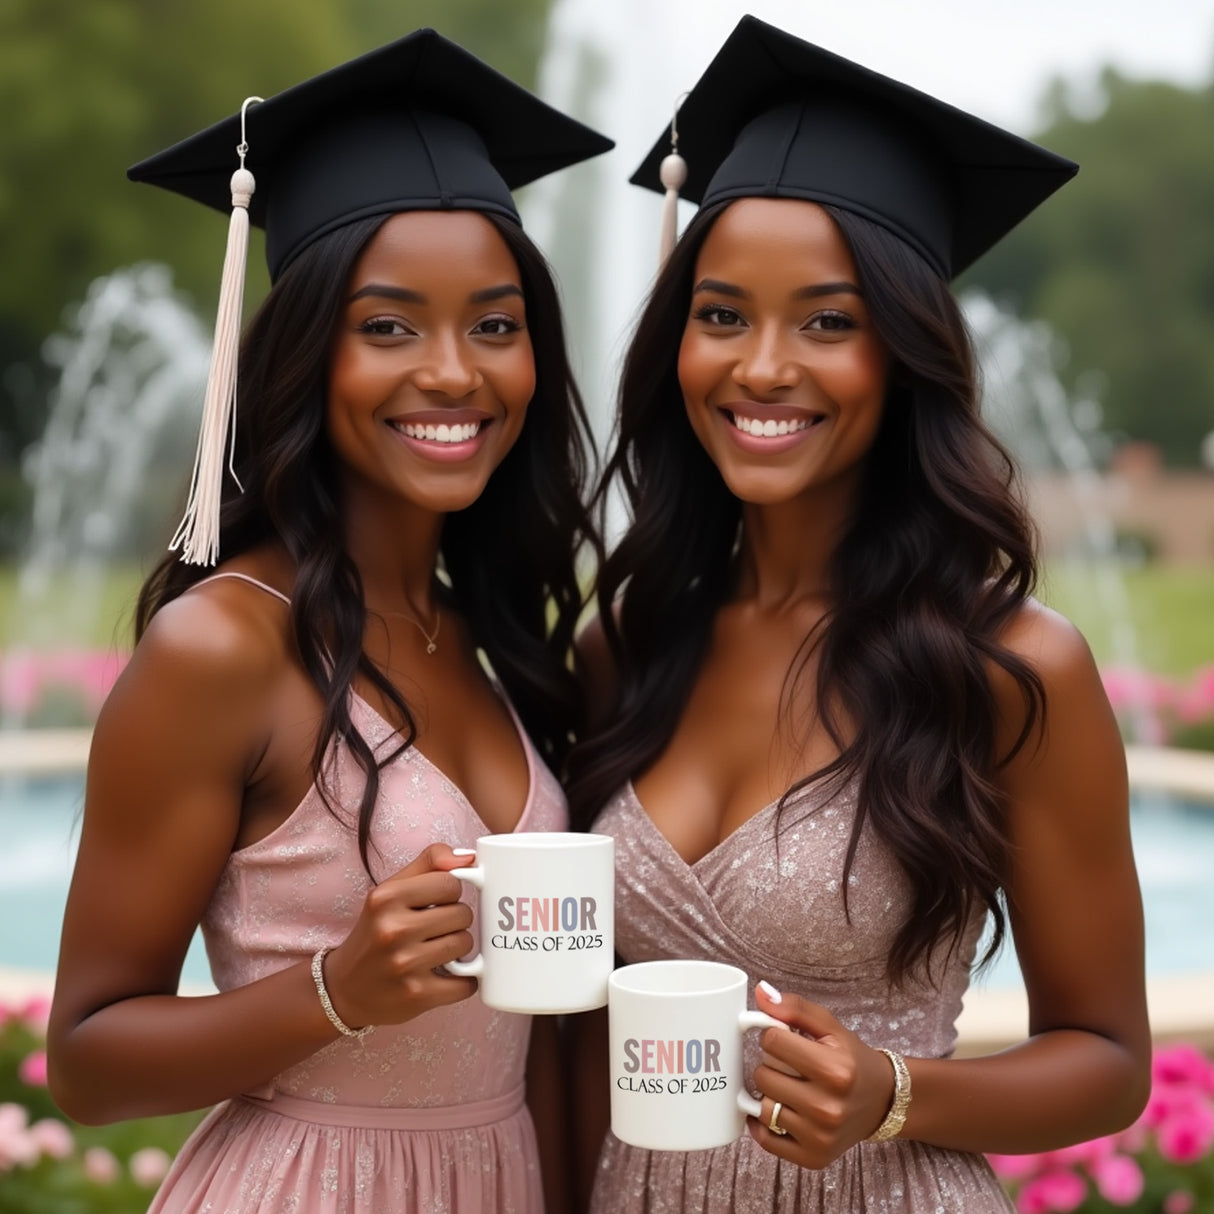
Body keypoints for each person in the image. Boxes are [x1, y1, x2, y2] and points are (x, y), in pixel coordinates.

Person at [567, 16, 1149, 1213]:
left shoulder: (1006, 665)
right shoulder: (626, 643)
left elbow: (1104, 1060)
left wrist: (890, 1089)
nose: (761, 366)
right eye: (720, 314)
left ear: (904, 353)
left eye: (827, 322)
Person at [45, 29, 611, 1214]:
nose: (454, 372)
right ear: (306, 353)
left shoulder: (492, 637)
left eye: (495, 326)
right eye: (389, 325)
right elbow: (91, 1060)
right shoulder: (225, 647)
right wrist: (335, 986)